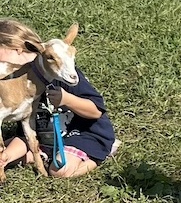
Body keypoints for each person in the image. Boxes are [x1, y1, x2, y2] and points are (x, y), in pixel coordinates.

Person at [0, 19, 116, 179]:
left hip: (79, 135)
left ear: (19, 50)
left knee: (59, 171)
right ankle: (40, 156)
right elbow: (24, 125)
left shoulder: (61, 74)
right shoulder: (19, 81)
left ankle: (100, 155)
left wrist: (67, 99)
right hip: (42, 138)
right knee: (5, 153)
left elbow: (96, 111)